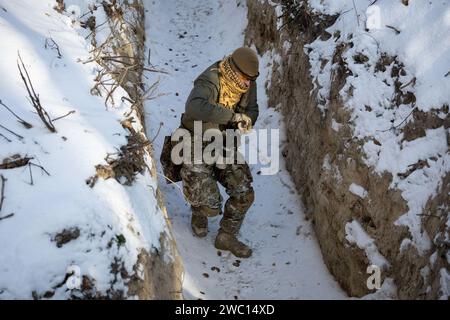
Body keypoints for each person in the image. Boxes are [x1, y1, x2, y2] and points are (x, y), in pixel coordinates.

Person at [179, 47, 259, 258]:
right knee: (210, 204)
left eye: (251, 80)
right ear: (234, 70)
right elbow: (194, 108)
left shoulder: (247, 81)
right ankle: (199, 209)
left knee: (244, 192)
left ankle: (226, 236)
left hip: (225, 143)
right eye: (245, 79)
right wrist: (232, 117)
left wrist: (247, 120)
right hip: (196, 139)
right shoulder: (210, 79)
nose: (248, 85)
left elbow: (252, 109)